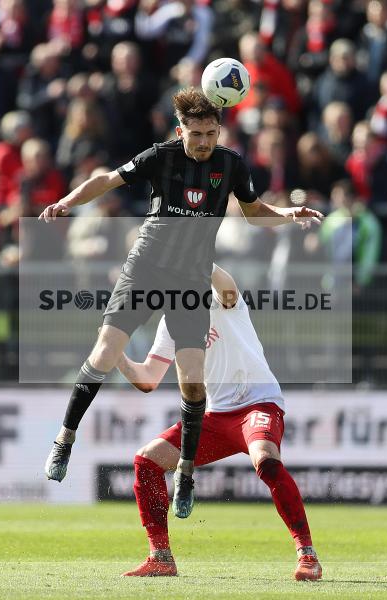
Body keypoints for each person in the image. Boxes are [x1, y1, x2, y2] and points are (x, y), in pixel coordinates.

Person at [39, 88, 323, 519]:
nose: (204, 141)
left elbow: (254, 211)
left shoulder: (230, 165)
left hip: (190, 278)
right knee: (103, 352)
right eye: (196, 134)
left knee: (192, 382)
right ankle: (64, 440)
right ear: (180, 131)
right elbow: (106, 180)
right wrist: (65, 202)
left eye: (211, 132)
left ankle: (185, 474)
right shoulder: (160, 156)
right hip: (146, 267)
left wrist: (286, 216)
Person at [115, 265, 322, 581]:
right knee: (147, 460)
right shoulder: (171, 325)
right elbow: (148, 379)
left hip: (257, 404)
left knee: (265, 461)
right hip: (214, 417)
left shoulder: (221, 300)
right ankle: (161, 557)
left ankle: (307, 555)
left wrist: (192, 254)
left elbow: (226, 283)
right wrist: (115, 354)